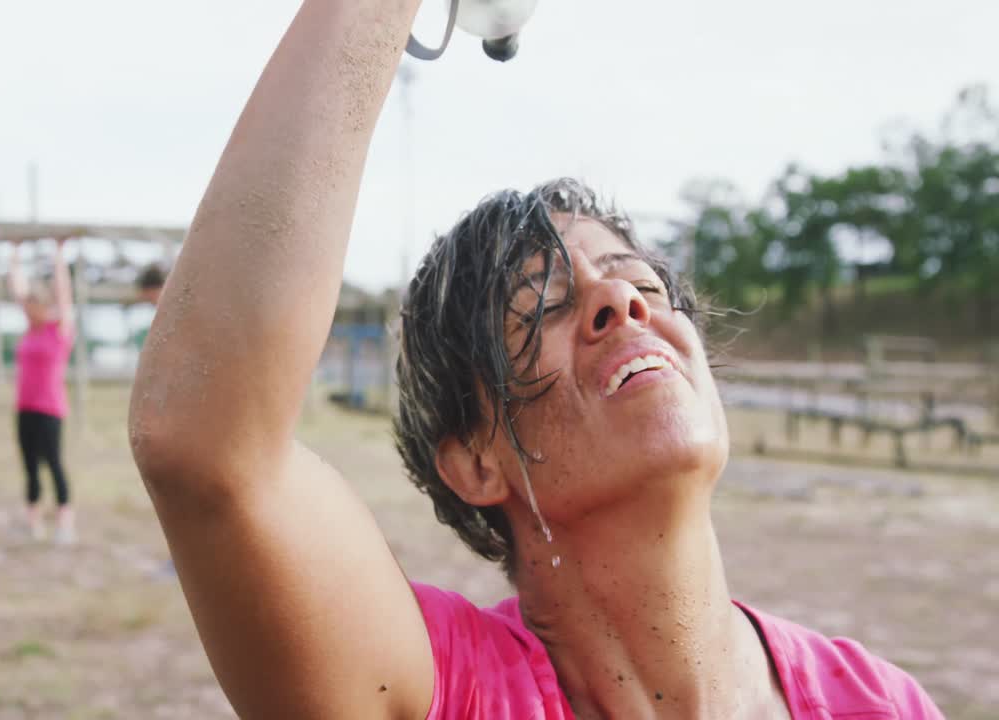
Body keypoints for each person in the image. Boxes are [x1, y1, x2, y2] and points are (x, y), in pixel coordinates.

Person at [126, 3, 943, 719]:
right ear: (477, 459)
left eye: (641, 282)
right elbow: (204, 443)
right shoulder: (443, 689)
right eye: (546, 307)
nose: (622, 305)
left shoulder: (878, 703)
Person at [8, 238, 77, 544]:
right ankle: (32, 522)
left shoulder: (59, 332)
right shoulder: (28, 330)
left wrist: (59, 255)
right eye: (27, 305)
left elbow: (64, 296)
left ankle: (65, 523)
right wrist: (14, 253)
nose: (29, 309)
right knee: (30, 466)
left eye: (35, 305)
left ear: (45, 307)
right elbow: (17, 288)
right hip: (24, 407)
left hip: (50, 408)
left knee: (54, 464)